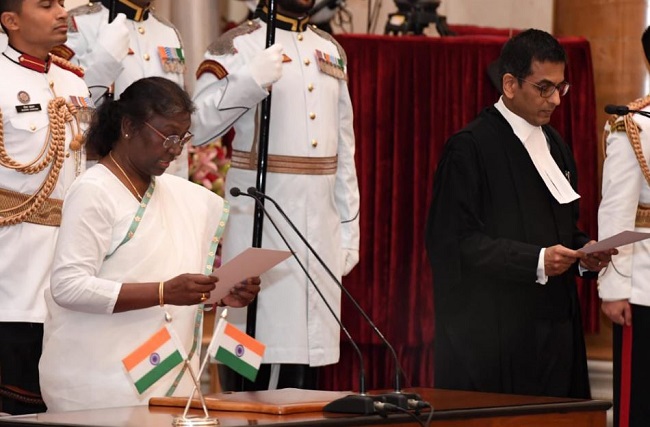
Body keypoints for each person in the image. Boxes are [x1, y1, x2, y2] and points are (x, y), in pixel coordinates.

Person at [38, 77, 261, 412]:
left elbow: (163, 277)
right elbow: (68, 286)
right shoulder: (95, 190)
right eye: (167, 135)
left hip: (158, 372)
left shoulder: (173, 193)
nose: (175, 148)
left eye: (182, 137)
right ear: (128, 126)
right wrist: (163, 292)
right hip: (96, 383)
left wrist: (215, 295)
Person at [425, 28, 616, 398]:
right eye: (544, 88)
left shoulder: (555, 144)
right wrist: (537, 260)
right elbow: (455, 243)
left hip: (555, 333)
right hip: (495, 336)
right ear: (509, 84)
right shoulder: (469, 148)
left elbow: (561, 227)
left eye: (561, 88)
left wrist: (583, 253)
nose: (556, 101)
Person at [191, 0, 360, 390]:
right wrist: (249, 79)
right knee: (249, 357)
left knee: (309, 361)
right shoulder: (238, 45)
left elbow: (344, 150)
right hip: (260, 222)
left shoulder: (330, 48)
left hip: (319, 228)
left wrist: (349, 228)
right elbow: (199, 128)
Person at [0, 0, 91, 415]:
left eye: (60, 3)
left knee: (66, 401)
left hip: (70, 268)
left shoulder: (73, 81)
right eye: (45, 5)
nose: (60, 12)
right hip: (12, 271)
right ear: (11, 20)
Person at [58, 0, 189, 178]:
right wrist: (104, 59)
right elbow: (65, 104)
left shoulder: (167, 31)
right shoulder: (78, 24)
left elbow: (178, 119)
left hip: (162, 176)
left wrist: (179, 179)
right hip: (103, 171)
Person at [597, 26, 650, 427]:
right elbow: (617, 211)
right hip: (644, 289)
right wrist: (614, 290)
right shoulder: (633, 125)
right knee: (640, 405)